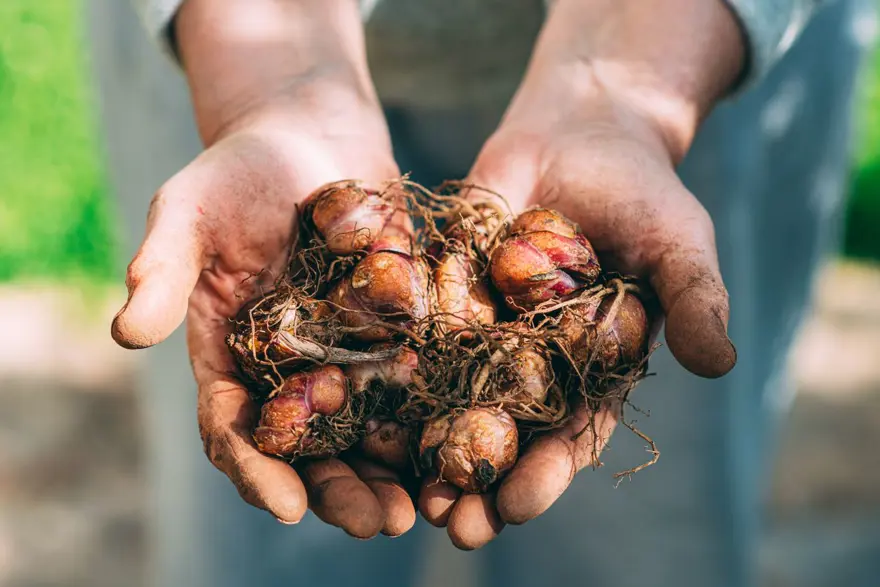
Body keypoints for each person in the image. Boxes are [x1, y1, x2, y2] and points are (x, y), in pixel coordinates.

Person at [86, 0, 871, 585]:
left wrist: (628, 88)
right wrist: (271, 79)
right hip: (242, 34)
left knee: (646, 552)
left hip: (680, 36)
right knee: (258, 555)